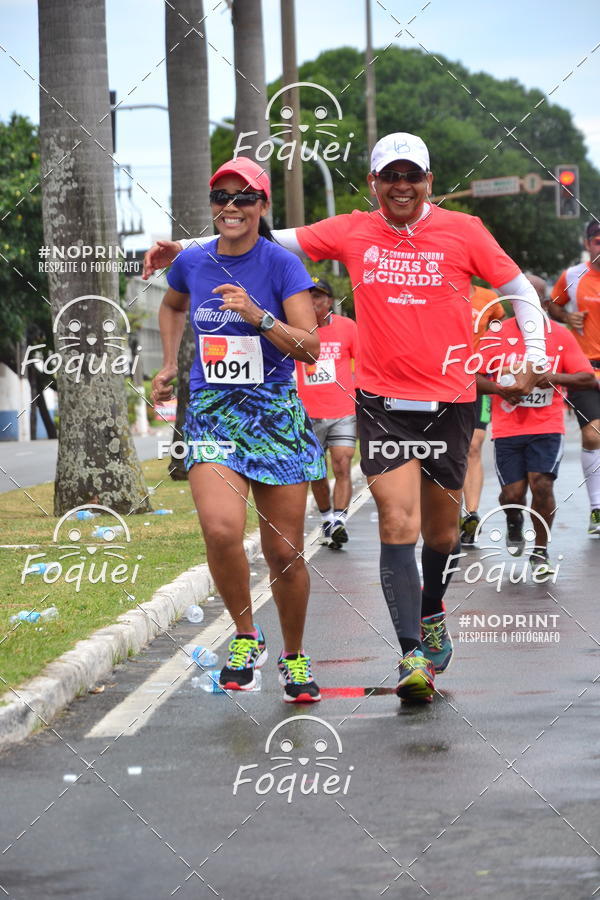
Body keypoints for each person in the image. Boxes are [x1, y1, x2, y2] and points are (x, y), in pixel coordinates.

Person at [144, 133, 547, 703]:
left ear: (429, 181)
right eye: (390, 176)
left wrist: (535, 357)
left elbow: (518, 290)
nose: (401, 186)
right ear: (374, 182)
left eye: (412, 176)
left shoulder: (465, 231)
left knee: (441, 533)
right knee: (396, 524)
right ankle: (411, 654)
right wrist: (182, 247)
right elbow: (259, 228)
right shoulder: (353, 230)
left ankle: (431, 610)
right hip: (381, 404)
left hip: (451, 403)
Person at [151, 157, 326, 703]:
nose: (231, 206)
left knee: (284, 552)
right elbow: (172, 305)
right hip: (212, 411)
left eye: (244, 197)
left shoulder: (282, 265)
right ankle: (247, 637)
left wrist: (258, 315)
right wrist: (168, 363)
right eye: (221, 197)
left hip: (274, 414)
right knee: (222, 530)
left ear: (262, 206)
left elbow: (311, 347)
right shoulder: (193, 261)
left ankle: (294, 656)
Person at [476, 306, 596, 576]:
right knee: (513, 495)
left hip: (547, 426)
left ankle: (540, 552)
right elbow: (471, 377)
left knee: (541, 484)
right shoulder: (496, 335)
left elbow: (586, 377)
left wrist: (552, 378)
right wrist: (499, 390)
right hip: (507, 428)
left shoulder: (560, 335)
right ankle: (514, 518)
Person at [295, 276, 358, 550]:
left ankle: (339, 520)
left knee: (342, 463)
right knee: (316, 472)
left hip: (343, 410)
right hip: (308, 414)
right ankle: (327, 519)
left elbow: (362, 363)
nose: (313, 302)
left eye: (318, 297)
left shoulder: (347, 327)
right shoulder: (296, 330)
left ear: (329, 301)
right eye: (308, 297)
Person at [549, 221, 600, 536]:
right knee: (593, 435)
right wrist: (567, 316)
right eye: (597, 242)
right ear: (587, 244)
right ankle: (597, 508)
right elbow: (552, 307)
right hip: (585, 371)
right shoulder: (572, 276)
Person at [460, 280, 506, 545]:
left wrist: (493, 351)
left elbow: (499, 325)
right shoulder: (439, 291)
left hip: (479, 380)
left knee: (474, 446)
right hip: (444, 380)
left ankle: (472, 514)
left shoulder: (488, 297)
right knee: (449, 448)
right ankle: (449, 512)